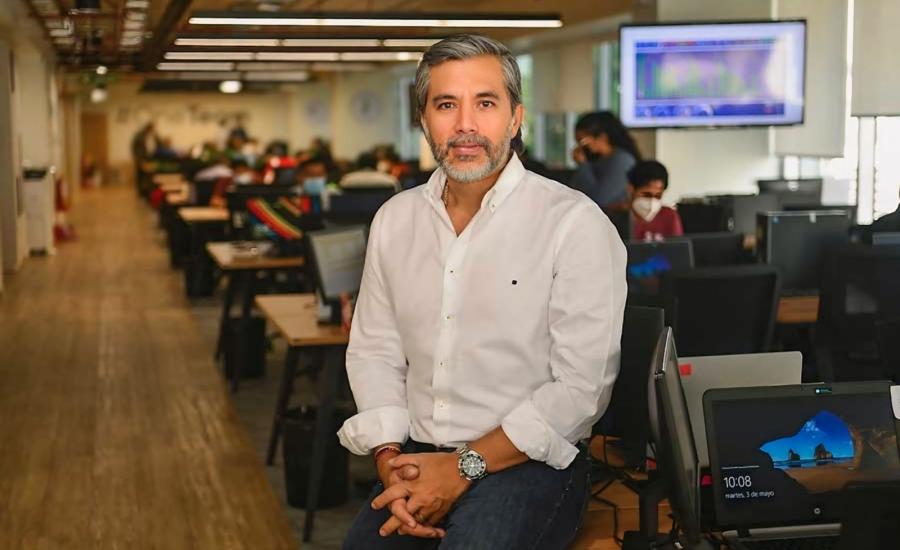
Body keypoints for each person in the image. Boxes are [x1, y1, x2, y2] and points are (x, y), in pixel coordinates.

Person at [339, 34, 626, 549]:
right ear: (424, 120)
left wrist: (462, 467)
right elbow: (375, 349)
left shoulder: (574, 223)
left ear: (515, 119)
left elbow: (580, 389)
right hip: (417, 455)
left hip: (530, 462)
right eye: (446, 104)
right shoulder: (395, 220)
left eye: (486, 103)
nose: (465, 124)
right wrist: (388, 458)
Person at [569, 111, 641, 208]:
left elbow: (599, 199)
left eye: (583, 141)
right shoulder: (595, 160)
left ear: (602, 137)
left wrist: (583, 165)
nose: (580, 146)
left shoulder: (622, 160)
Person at [626, 160, 683, 241]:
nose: (652, 201)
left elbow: (677, 246)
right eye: (646, 195)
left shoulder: (669, 216)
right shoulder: (618, 218)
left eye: (657, 196)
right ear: (631, 188)